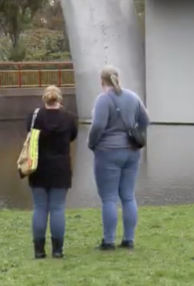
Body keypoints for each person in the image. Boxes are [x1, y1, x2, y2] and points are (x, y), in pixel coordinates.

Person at [88, 65, 149, 251]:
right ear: (117, 78)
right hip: (131, 151)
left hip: (108, 152)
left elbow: (98, 126)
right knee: (128, 196)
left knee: (109, 199)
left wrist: (92, 143)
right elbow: (145, 120)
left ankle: (108, 241)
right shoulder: (132, 96)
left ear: (101, 81)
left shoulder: (103, 99)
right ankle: (128, 239)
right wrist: (135, 132)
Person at [25, 86, 78, 259]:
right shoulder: (69, 118)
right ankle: (57, 250)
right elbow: (72, 136)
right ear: (60, 100)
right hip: (61, 167)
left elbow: (29, 134)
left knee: (40, 208)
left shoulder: (35, 116)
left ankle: (39, 250)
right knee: (57, 208)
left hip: (38, 166)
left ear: (44, 99)